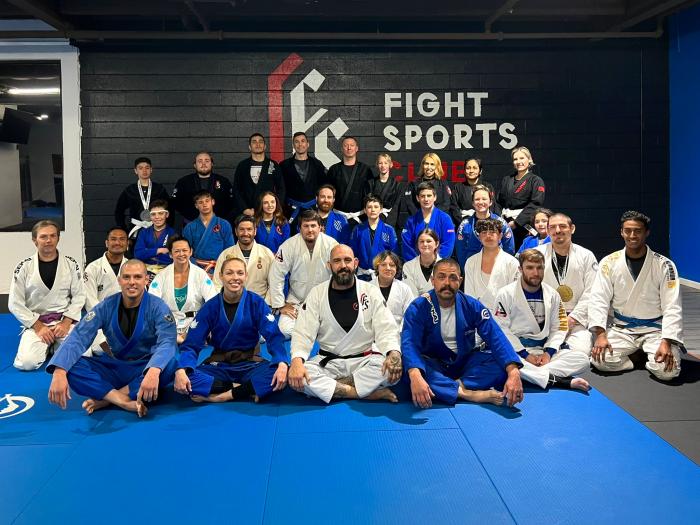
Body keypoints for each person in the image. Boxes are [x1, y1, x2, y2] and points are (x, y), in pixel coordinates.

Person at [47, 259, 177, 418]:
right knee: (70, 365)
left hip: (144, 368)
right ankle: (121, 400)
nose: (132, 282)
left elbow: (167, 342)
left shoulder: (158, 307)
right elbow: (79, 336)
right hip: (116, 367)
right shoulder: (106, 306)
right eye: (127, 277)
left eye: (137, 277)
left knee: (170, 364)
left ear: (146, 280)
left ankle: (106, 399)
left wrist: (154, 370)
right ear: (119, 280)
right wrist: (59, 371)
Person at [401, 258, 524, 408]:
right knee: (409, 369)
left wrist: (513, 372)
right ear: (433, 280)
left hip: (463, 363)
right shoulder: (418, 307)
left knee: (502, 365)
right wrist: (415, 374)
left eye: (453, 278)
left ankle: (452, 387)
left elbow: (495, 337)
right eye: (441, 277)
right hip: (433, 364)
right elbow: (410, 344)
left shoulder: (471, 305)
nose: (447, 283)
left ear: (460, 281)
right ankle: (467, 393)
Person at [288, 245, 402, 403]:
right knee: (299, 376)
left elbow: (386, 327)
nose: (343, 265)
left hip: (364, 360)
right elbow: (303, 332)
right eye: (337, 261)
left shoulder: (370, 291)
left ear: (355, 263)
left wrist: (393, 353)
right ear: (329, 265)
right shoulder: (317, 294)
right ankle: (363, 393)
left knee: (391, 370)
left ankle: (333, 388)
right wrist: (297, 361)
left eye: (347, 260)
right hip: (329, 362)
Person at [174, 257, 288, 403]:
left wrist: (281, 362)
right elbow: (191, 344)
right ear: (221, 276)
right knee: (184, 378)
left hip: (251, 364)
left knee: (283, 373)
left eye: (240, 273)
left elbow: (274, 337)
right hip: (220, 366)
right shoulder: (210, 307)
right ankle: (243, 389)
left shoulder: (256, 302)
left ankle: (222, 395)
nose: (235, 278)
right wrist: (182, 369)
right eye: (229, 273)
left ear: (246, 276)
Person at [588, 211, 684, 381]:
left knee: (667, 372)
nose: (632, 235)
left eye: (638, 231)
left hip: (656, 330)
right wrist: (601, 335)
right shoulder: (609, 262)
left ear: (647, 232)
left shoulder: (664, 265)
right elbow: (598, 300)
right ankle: (636, 358)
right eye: (628, 231)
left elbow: (672, 306)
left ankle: (650, 354)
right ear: (621, 232)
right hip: (622, 329)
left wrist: (667, 341)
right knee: (599, 361)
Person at [493, 249, 590, 391]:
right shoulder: (505, 294)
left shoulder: (552, 294)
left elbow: (559, 327)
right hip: (518, 351)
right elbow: (501, 328)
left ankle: (530, 375)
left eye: (539, 268)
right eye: (530, 268)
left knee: (582, 360)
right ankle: (558, 380)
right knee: (502, 361)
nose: (536, 273)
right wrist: (525, 354)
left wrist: (548, 353)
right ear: (520, 269)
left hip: (543, 350)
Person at [10, 220, 86, 371]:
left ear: (58, 238)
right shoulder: (24, 267)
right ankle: (49, 346)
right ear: (35, 240)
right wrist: (38, 326)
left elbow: (79, 296)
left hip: (63, 322)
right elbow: (14, 303)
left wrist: (66, 322)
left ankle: (54, 345)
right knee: (27, 363)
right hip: (37, 323)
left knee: (82, 357)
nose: (49, 240)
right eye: (43, 236)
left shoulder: (71, 264)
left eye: (53, 236)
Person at [269, 210, 338, 338]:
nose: (310, 230)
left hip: (324, 301)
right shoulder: (289, 245)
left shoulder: (331, 245)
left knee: (337, 329)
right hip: (296, 301)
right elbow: (276, 274)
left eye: (313, 226)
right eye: (306, 226)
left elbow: (339, 274)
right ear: (299, 228)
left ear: (320, 227)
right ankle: (315, 330)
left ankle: (312, 329)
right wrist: (280, 305)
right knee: (284, 330)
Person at [536, 213, 598, 356]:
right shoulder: (537, 254)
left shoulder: (586, 256)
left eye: (562, 226)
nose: (557, 230)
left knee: (580, 352)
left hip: (576, 319)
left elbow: (592, 292)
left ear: (572, 228)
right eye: (553, 227)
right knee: (536, 352)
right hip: (544, 318)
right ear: (548, 230)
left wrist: (571, 319)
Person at [148, 236, 217, 344]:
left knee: (193, 348)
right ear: (170, 254)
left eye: (184, 250)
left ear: (190, 252)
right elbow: (151, 304)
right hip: (168, 325)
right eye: (177, 251)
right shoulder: (161, 276)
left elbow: (213, 302)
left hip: (195, 324)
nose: (181, 254)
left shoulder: (201, 274)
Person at [83, 227, 129, 354]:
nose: (117, 242)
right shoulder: (93, 268)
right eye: (113, 239)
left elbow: (141, 296)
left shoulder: (133, 266)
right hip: (101, 319)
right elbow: (90, 300)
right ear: (107, 243)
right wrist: (105, 319)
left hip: (128, 318)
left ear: (127, 243)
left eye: (122, 239)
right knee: (100, 348)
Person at [386, 152, 454, 236]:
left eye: (432, 164)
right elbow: (410, 204)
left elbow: (446, 204)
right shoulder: (414, 183)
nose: (429, 167)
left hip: (438, 223)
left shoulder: (443, 183)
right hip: (418, 222)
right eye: (426, 164)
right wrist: (422, 217)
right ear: (422, 165)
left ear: (437, 166)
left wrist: (432, 216)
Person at [214, 215, 275, 304]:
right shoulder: (225, 255)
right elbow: (217, 284)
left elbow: (274, 283)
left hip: (260, 303)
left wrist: (265, 304)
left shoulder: (267, 254)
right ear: (236, 232)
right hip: (231, 303)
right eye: (241, 229)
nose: (245, 233)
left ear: (255, 231)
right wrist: (223, 304)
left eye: (249, 229)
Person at [463, 218, 519, 312]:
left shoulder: (512, 262)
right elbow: (469, 294)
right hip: (478, 314)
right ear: (479, 237)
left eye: (492, 232)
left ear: (500, 236)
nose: (488, 236)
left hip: (505, 314)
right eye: (484, 232)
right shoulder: (471, 262)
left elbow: (515, 294)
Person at [496, 146, 546, 249]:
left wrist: (516, 223)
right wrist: (500, 221)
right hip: (506, 224)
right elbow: (498, 202)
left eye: (522, 158)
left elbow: (536, 203)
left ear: (529, 160)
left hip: (524, 225)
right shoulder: (507, 180)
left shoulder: (536, 180)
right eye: (515, 159)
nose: (518, 162)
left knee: (525, 254)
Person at [455, 184, 514, 268]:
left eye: (484, 199)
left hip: (497, 269)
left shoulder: (501, 224)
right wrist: (467, 271)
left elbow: (509, 249)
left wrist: (504, 269)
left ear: (490, 202)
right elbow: (460, 252)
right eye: (477, 199)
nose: (481, 202)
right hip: (472, 269)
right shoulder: (464, 225)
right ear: (472, 203)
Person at [114, 157, 170, 239]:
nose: (144, 171)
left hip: (157, 229)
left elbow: (169, 209)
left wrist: (167, 227)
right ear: (135, 171)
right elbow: (119, 211)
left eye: (147, 168)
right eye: (140, 168)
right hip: (136, 230)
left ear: (151, 170)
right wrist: (123, 229)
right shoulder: (130, 190)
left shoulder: (159, 189)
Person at [171, 151, 234, 223]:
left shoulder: (223, 181)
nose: (203, 164)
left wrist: (220, 215)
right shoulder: (184, 182)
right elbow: (175, 202)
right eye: (200, 161)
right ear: (195, 165)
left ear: (212, 164)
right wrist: (189, 215)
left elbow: (231, 202)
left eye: (207, 161)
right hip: (191, 222)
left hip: (217, 223)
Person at [232, 133, 285, 217]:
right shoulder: (242, 166)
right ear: (249, 147)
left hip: (267, 212)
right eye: (254, 142)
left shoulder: (273, 165)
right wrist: (244, 209)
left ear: (265, 146)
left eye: (260, 141)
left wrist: (276, 208)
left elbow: (281, 189)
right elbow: (236, 189)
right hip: (248, 212)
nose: (258, 144)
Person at [183, 190, 234, 275]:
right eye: (200, 202)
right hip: (197, 269)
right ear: (196, 206)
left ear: (212, 202)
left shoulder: (224, 224)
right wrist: (197, 270)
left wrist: (224, 268)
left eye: (207, 201)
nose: (204, 204)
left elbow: (230, 250)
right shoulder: (190, 227)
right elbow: (186, 252)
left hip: (220, 268)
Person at [401, 181, 455, 261]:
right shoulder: (411, 221)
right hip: (416, 264)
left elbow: (448, 244)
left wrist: (435, 261)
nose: (426, 199)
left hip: (439, 264)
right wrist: (419, 263)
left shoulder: (445, 219)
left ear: (435, 197)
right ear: (417, 198)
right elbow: (407, 246)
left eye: (429, 196)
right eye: (422, 196)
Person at [280, 131, 328, 220]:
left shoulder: (317, 164)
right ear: (293, 145)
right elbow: (281, 188)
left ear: (307, 144)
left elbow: (324, 186)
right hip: (291, 210)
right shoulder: (284, 165)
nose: (300, 144)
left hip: (313, 209)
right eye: (296, 142)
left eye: (303, 141)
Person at [349, 195, 398, 279]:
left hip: (382, 273)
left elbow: (394, 254)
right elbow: (353, 252)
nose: (373, 210)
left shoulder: (389, 230)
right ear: (365, 210)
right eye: (369, 207)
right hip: (362, 273)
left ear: (381, 209)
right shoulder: (358, 229)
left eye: (376, 207)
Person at [326, 136, 372, 217]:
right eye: (346, 145)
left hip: (360, 216)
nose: (349, 148)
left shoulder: (365, 170)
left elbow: (370, 194)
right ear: (342, 149)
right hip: (338, 215)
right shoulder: (334, 169)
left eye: (352, 145)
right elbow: (328, 192)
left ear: (356, 148)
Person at [370, 251, 415, 328]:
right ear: (377, 267)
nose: (388, 268)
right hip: (373, 332)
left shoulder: (404, 289)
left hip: (398, 332)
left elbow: (409, 315)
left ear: (396, 268)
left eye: (392, 265)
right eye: (383, 265)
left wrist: (400, 332)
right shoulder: (367, 288)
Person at [133, 200, 176, 278]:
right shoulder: (144, 232)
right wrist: (159, 250)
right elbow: (138, 254)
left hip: (167, 272)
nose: (157, 217)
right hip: (145, 272)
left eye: (161, 213)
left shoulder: (173, 233)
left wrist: (148, 253)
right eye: (153, 214)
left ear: (167, 214)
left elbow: (172, 258)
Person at [450, 157, 496, 224]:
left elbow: (492, 206)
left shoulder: (487, 186)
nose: (471, 171)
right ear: (464, 171)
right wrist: (463, 223)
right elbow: (454, 208)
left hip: (486, 223)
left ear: (480, 171)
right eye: (468, 168)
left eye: (475, 168)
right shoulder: (458, 187)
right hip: (464, 223)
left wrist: (486, 222)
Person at [403, 228, 441, 297]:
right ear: (417, 244)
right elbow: (410, 297)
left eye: (428, 241)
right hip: (416, 304)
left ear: (437, 244)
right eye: (421, 241)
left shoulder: (445, 266)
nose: (425, 244)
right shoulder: (408, 266)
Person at [363, 153, 400, 218]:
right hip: (373, 218)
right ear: (377, 165)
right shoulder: (370, 183)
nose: (383, 166)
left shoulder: (396, 184)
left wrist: (390, 221)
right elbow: (367, 203)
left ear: (390, 165)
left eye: (386, 163)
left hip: (389, 219)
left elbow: (396, 206)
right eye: (380, 163)